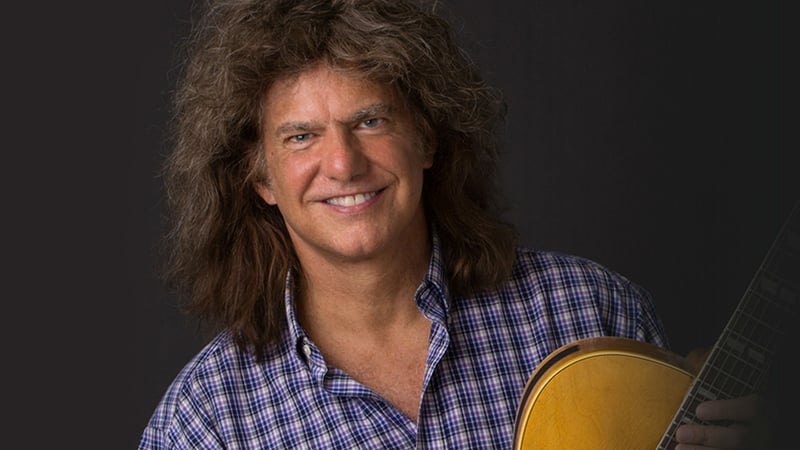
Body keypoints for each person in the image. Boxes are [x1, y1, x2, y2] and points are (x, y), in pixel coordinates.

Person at [139, 0, 768, 448]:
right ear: (261, 179)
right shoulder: (207, 424)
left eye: (370, 121)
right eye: (301, 136)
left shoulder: (592, 313)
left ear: (427, 138)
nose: (344, 163)